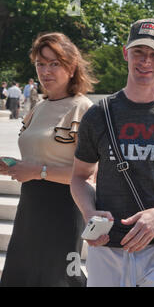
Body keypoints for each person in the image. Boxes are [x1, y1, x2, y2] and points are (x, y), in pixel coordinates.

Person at [70, 18, 154, 287]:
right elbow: (80, 177)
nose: (145, 61)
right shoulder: (99, 114)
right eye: (139, 52)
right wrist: (89, 212)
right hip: (107, 248)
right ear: (126, 53)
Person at [0, 32, 96, 287]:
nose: (46, 71)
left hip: (64, 208)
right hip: (30, 206)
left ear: (72, 66)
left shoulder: (84, 108)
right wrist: (11, 165)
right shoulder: (38, 107)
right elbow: (36, 155)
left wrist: (38, 171)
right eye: (40, 64)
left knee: (59, 279)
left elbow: (90, 174)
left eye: (54, 63)